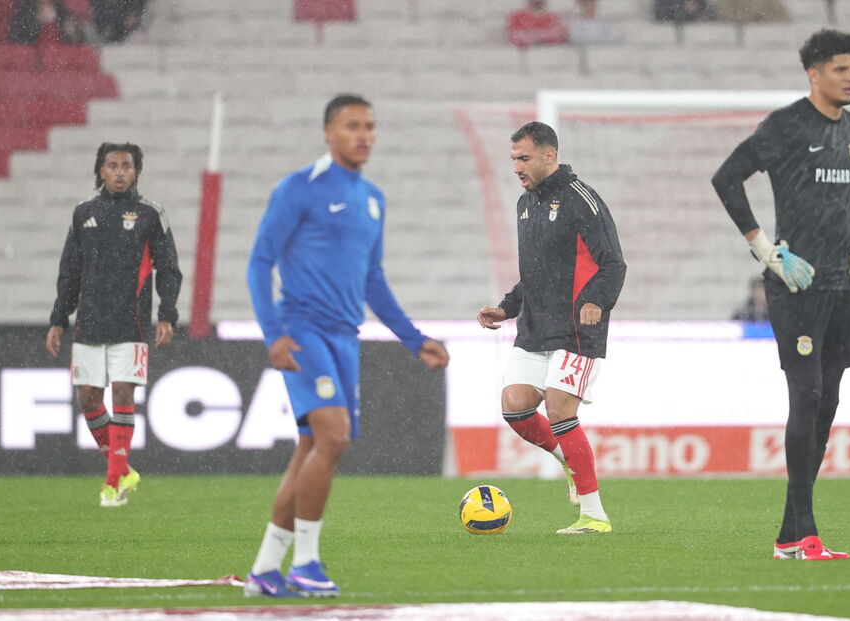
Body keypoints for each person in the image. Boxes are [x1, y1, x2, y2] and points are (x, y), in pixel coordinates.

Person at [244, 94, 450, 598]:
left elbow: (372, 280)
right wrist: (274, 335)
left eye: (371, 126)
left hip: (344, 336)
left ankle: (266, 570)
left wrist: (413, 338)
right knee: (334, 438)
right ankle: (307, 563)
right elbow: (259, 263)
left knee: (314, 448)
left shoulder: (373, 198)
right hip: (303, 331)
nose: (365, 135)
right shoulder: (298, 188)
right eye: (353, 125)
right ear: (328, 132)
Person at [712, 29, 850, 561]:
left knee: (826, 403)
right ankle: (806, 536)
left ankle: (789, 536)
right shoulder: (786, 126)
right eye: (841, 69)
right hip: (795, 286)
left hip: (838, 287)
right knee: (805, 396)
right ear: (814, 74)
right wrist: (768, 253)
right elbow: (727, 178)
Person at [477, 122, 626, 534]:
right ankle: (566, 458)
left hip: (578, 329)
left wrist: (597, 300)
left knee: (559, 408)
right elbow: (535, 273)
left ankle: (594, 516)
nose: (516, 168)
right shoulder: (526, 204)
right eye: (513, 160)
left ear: (549, 155)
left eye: (523, 158)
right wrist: (507, 308)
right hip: (535, 328)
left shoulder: (582, 200)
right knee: (515, 407)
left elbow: (614, 263)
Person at [46, 142, 182, 508]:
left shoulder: (150, 214)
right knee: (89, 398)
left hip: (131, 323)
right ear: (101, 171)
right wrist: (59, 319)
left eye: (127, 166)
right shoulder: (83, 214)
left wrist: (167, 313)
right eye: (112, 165)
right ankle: (124, 469)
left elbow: (168, 268)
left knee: (123, 392)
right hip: (89, 323)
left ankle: (112, 484)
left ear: (136, 171)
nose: (120, 172)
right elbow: (69, 272)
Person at [9, 0, 83, 45]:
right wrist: (36, 23)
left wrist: (71, 32)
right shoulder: (25, 7)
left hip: (59, 54)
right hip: (34, 56)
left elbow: (76, 37)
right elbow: (15, 36)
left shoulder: (60, 7)